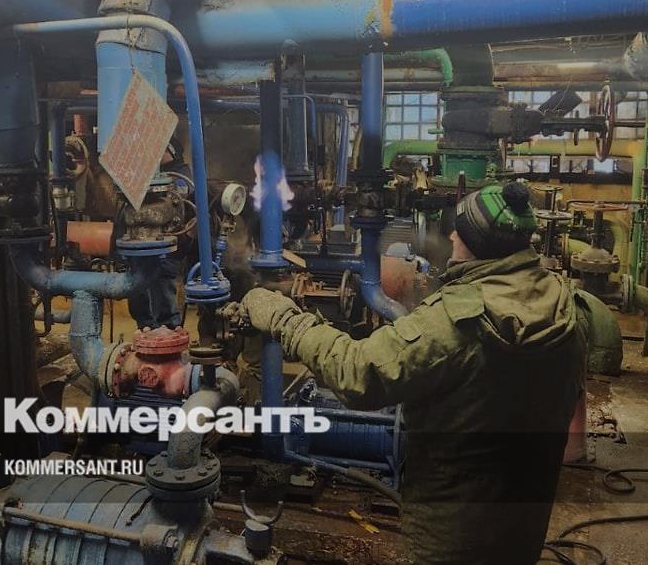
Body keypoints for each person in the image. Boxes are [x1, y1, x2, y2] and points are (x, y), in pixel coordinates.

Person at [230, 182, 603, 564]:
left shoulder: (457, 320)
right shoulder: (566, 304)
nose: (452, 236)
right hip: (525, 523)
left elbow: (357, 373)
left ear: (477, 243)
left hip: (453, 534)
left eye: (461, 231)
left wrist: (284, 319)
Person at [128, 138, 192, 329]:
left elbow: (181, 195)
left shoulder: (181, 174)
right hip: (141, 245)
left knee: (162, 291)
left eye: (161, 149)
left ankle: (168, 330)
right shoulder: (145, 174)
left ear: (171, 152)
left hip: (168, 246)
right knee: (139, 295)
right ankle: (146, 330)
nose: (155, 153)